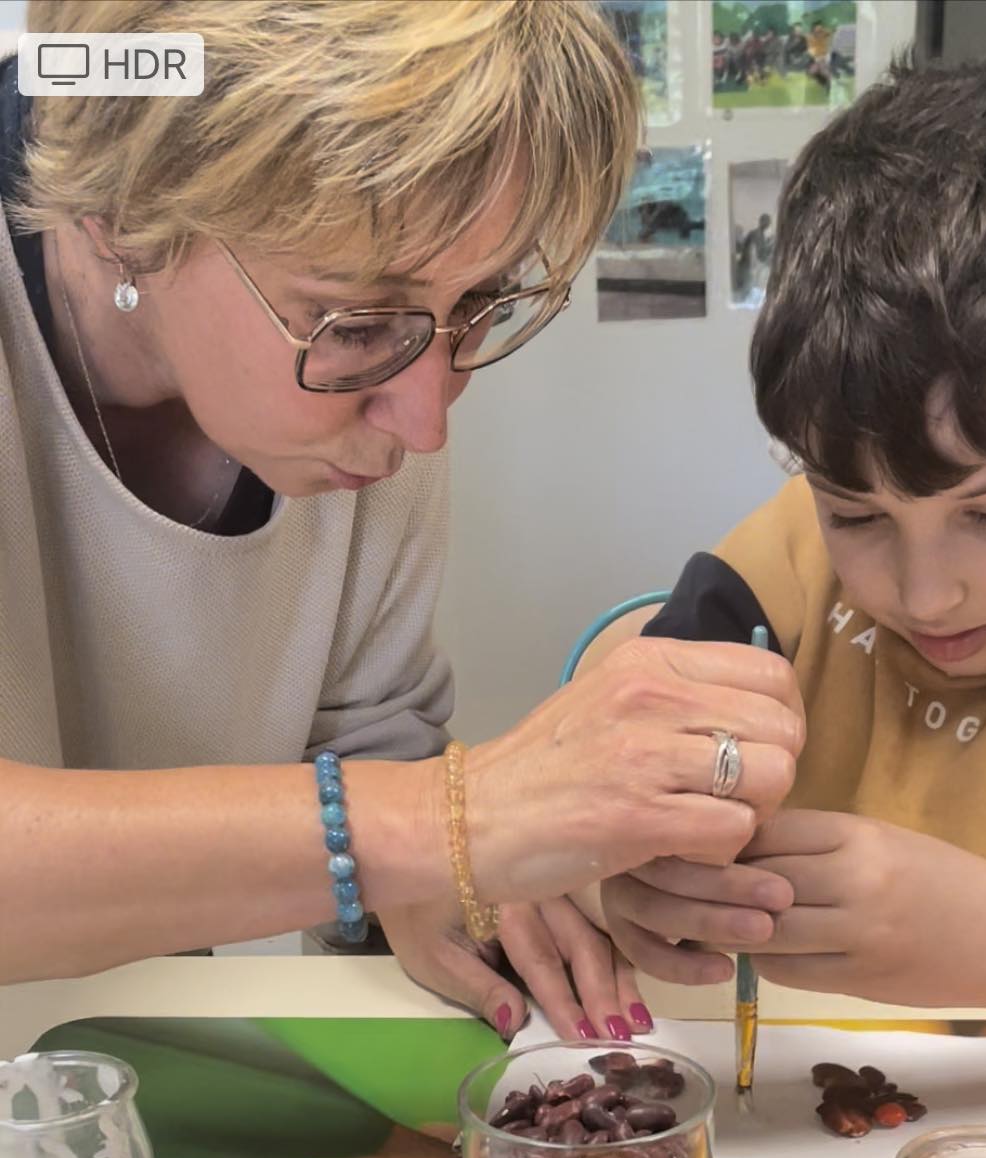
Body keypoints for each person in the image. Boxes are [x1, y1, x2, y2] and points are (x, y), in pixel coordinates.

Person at [0, 0, 804, 1043]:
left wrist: (438, 875)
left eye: (480, 303)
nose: (425, 422)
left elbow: (368, 735)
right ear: (121, 214)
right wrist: (443, 822)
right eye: (357, 322)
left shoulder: (387, 381)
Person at [585, 59, 986, 1038]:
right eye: (854, 513)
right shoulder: (776, 571)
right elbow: (607, 754)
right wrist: (615, 866)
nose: (924, 593)